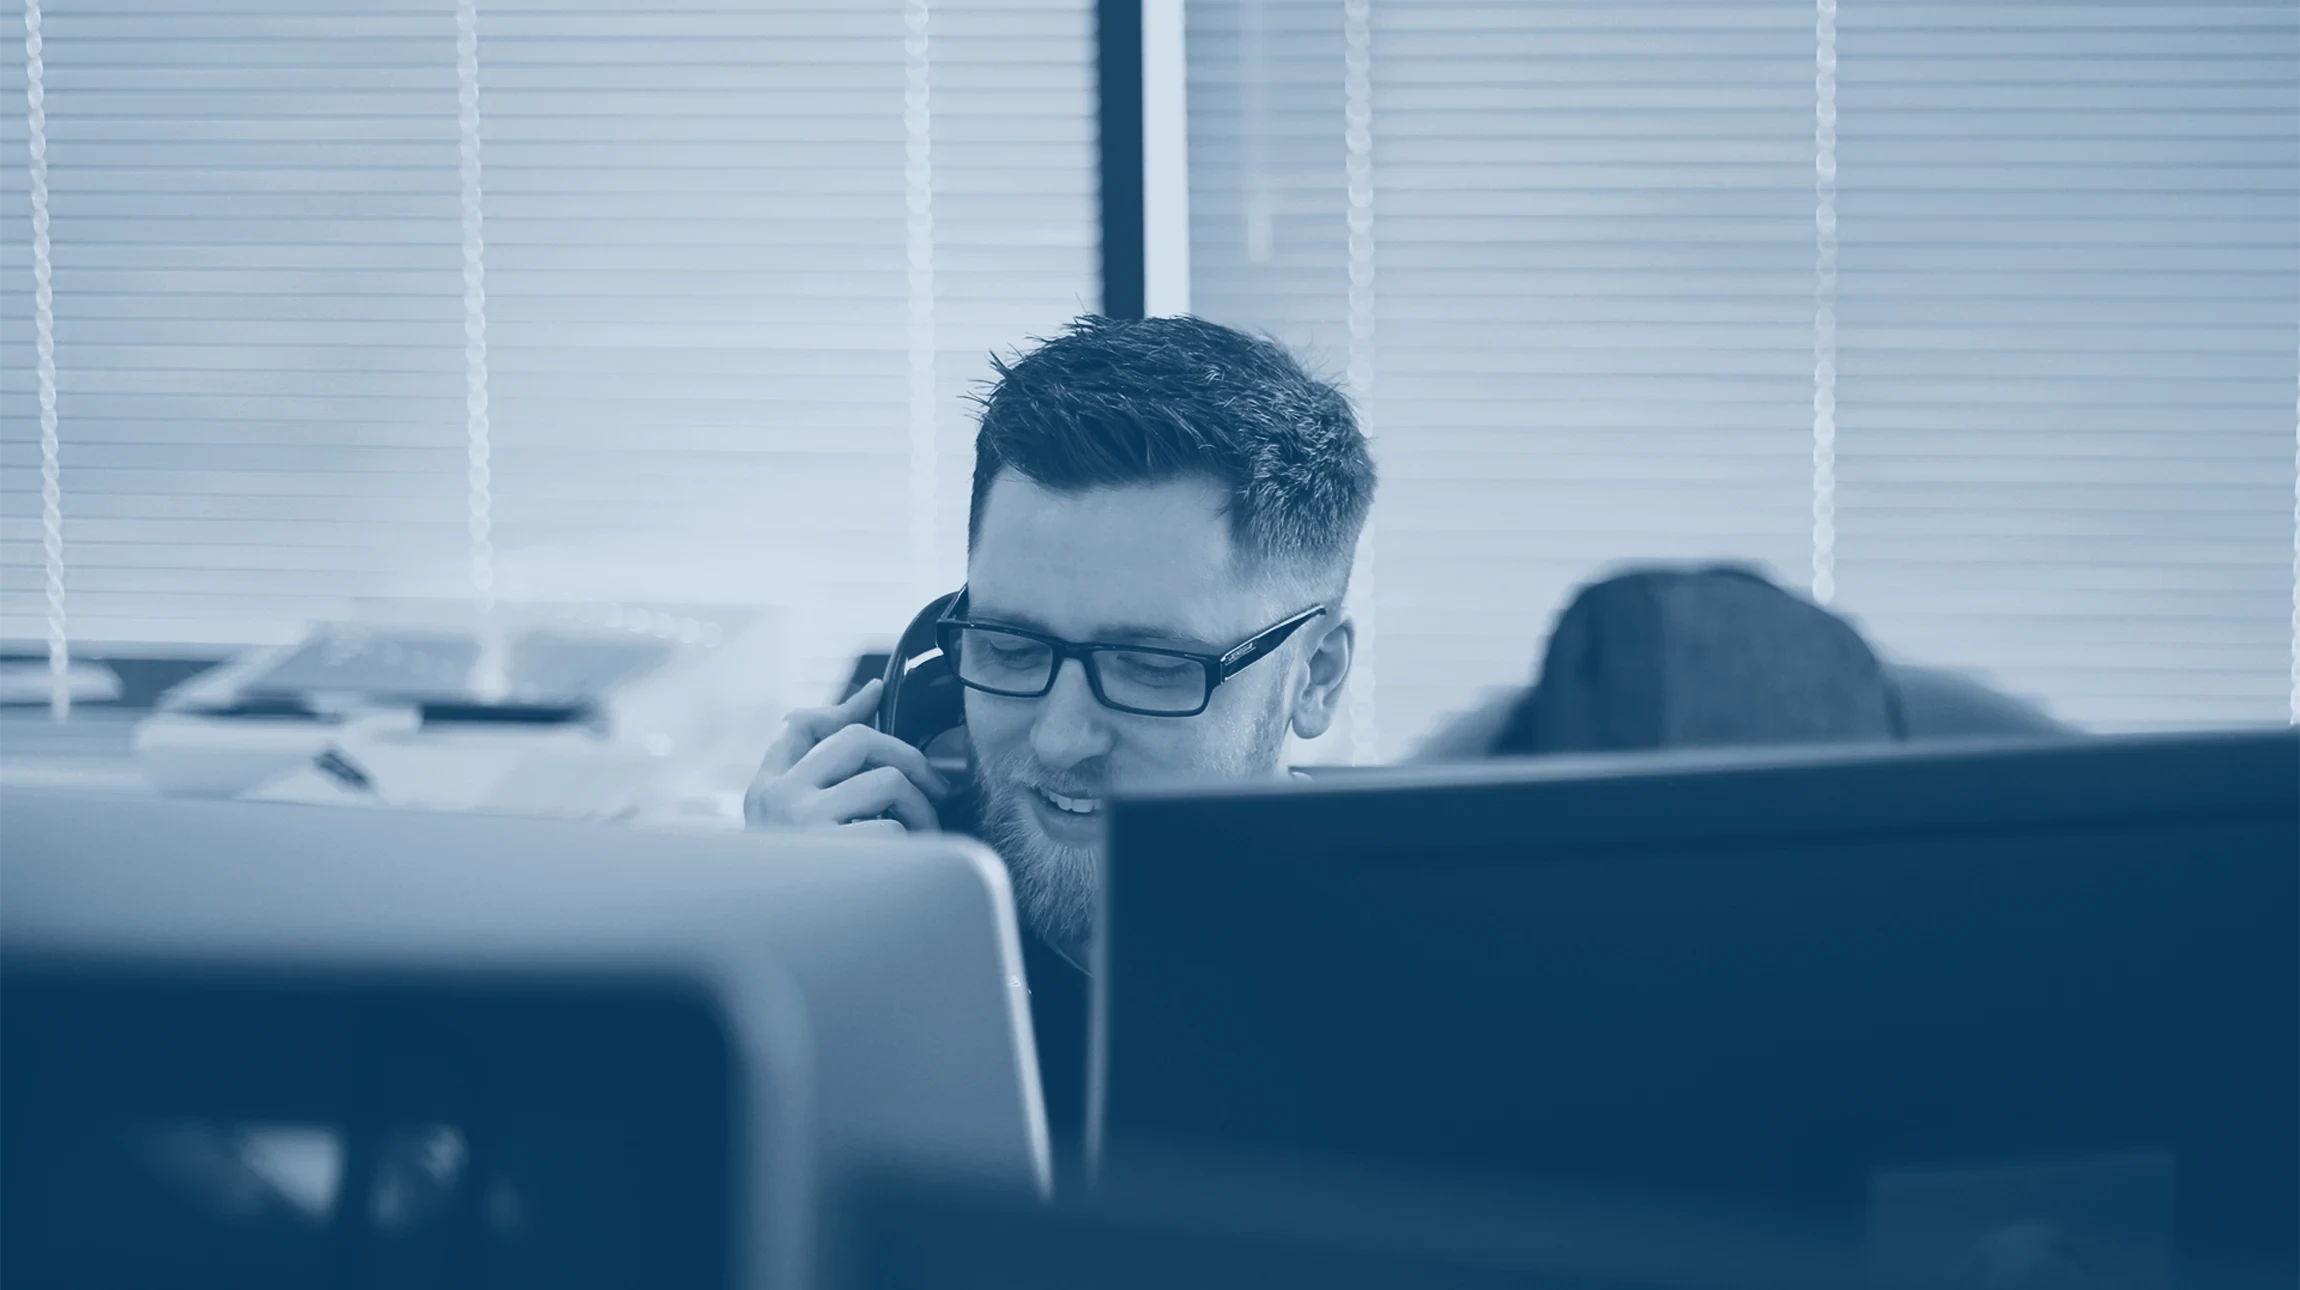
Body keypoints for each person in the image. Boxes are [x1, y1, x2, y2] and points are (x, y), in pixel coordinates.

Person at [744, 314, 1376, 1169]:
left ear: (1317, 677)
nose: (1060, 736)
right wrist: (786, 959)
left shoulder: (1436, 990)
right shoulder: (872, 917)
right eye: (1010, 648)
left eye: (1150, 665)